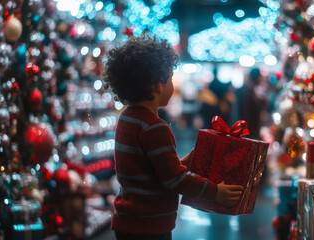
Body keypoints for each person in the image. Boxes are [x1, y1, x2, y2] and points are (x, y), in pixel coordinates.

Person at [103, 35, 243, 240]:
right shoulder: (155, 127)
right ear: (157, 85)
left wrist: (191, 159)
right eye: (169, 79)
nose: (171, 84)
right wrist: (215, 192)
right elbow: (174, 179)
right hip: (150, 226)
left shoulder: (126, 118)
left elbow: (156, 170)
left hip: (128, 221)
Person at [236, 67, 267, 140]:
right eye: (260, 76)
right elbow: (247, 111)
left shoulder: (250, 88)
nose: (261, 78)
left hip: (249, 128)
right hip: (249, 129)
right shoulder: (249, 90)